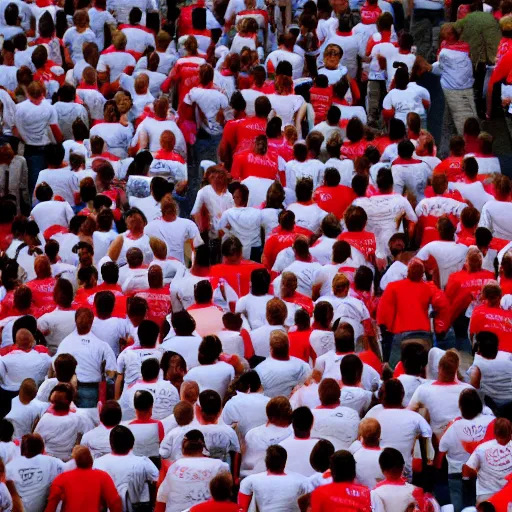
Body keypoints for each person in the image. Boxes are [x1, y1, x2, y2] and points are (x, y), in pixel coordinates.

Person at [439, 388, 495, 511]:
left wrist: (437, 468)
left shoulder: (453, 426)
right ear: (479, 405)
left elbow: (440, 453)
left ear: (461, 407)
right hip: (484, 475)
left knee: (458, 508)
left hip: (456, 474)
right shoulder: (492, 422)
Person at [365, 379, 432, 480]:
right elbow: (428, 450)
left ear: (381, 395)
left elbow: (360, 438)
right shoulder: (415, 418)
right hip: (403, 474)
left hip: (374, 472)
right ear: (402, 395)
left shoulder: (373, 413)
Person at [155, 429, 230, 512]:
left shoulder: (175, 466)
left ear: (183, 447)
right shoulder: (220, 466)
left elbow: (161, 498)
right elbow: (226, 499)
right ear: (203, 447)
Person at [55, 308, 116, 408]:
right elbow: (111, 372)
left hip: (67, 390)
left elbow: (55, 367)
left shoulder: (64, 344)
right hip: (91, 391)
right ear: (92, 321)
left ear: (75, 321)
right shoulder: (102, 345)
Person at [93, 425, 159, 510]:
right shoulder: (143, 463)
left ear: (111, 443)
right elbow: (158, 483)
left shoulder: (98, 463)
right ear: (132, 443)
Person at [44, 446, 122, 512]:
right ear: (91, 460)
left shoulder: (61, 478)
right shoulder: (103, 476)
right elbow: (114, 502)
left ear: (75, 461)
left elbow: (51, 505)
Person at [238, 445, 308, 512]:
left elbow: (242, 508)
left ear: (266, 462)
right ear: (285, 461)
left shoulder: (250, 481)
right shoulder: (302, 480)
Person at [464, 418, 512, 503]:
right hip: (508, 494)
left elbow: (467, 469)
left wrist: (475, 474)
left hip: (486, 495)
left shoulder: (482, 448)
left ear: (495, 432)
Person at [255, 330, 310, 398]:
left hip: (269, 406)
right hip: (294, 406)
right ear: (288, 346)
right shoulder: (302, 366)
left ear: (271, 348)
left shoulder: (259, 369)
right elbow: (309, 388)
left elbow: (257, 397)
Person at [311, 378, 360, 450]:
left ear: (319, 395)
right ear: (339, 395)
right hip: (344, 457)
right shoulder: (352, 414)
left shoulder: (309, 415)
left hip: (318, 457)